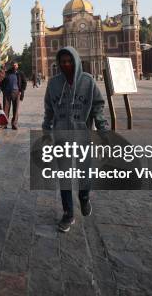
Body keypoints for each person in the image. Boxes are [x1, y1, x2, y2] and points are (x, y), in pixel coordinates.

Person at [42, 47, 110, 233]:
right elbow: (49, 107)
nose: (66, 64)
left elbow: (98, 106)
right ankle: (68, 213)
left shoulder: (87, 81)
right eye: (62, 61)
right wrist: (46, 129)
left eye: (69, 61)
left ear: (76, 61)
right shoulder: (54, 83)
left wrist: (103, 129)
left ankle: (84, 196)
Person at [0, 62, 27, 130]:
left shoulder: (20, 73)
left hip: (16, 93)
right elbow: (1, 82)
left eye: (15, 65)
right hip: (7, 93)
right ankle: (4, 124)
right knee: (5, 109)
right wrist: (3, 90)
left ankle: (14, 124)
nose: (14, 66)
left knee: (15, 109)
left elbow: (24, 82)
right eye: (13, 65)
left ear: (17, 66)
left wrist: (21, 91)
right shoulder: (7, 73)